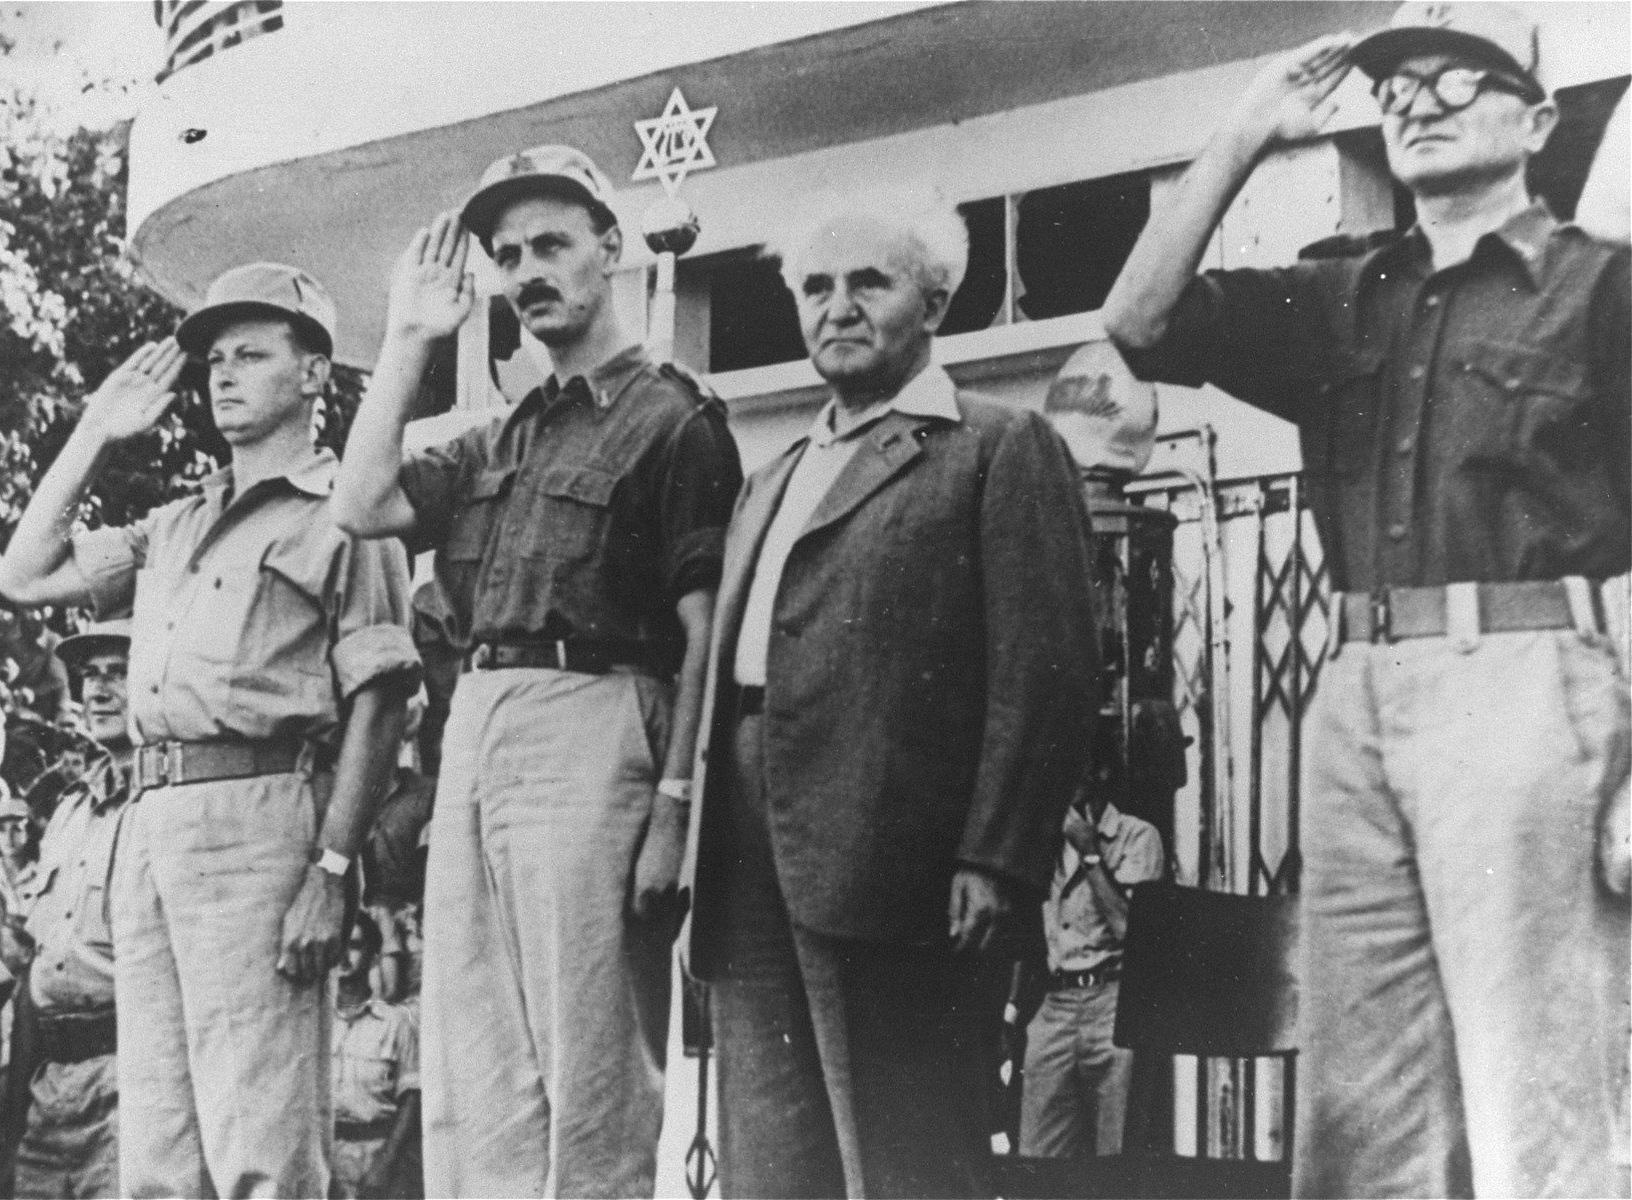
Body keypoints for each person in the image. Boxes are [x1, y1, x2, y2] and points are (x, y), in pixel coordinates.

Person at [1100, 5, 1630, 1196]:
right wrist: (1242, 135)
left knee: (1526, 1098)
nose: (1419, 99)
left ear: (1535, 119)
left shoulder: (1604, 288)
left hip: (1528, 682)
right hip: (1350, 695)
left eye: (1460, 79)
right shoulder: (1340, 293)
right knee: (1356, 1110)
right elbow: (1136, 320)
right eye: (1398, 81)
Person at [333, 145, 743, 1196]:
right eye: (507, 255)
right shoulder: (497, 435)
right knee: (477, 1054)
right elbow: (363, 502)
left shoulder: (672, 417)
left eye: (551, 244)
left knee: (589, 1055)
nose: (527, 272)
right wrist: (409, 337)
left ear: (609, 247)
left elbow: (708, 634)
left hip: (598, 718)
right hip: (480, 721)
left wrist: (675, 809)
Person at [684, 192, 1099, 1198]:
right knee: (769, 1155)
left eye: (869, 281)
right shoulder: (771, 475)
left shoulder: (996, 445)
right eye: (815, 287)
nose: (837, 306)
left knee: (905, 1153)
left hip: (896, 862)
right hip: (747, 851)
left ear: (936, 299)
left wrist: (994, 857)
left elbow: (1044, 671)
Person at [0, 262, 421, 1198]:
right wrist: (94, 431)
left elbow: (380, 701)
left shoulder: (349, 513)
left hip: (261, 819)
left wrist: (333, 872)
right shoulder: (176, 523)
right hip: (155, 823)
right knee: (158, 1147)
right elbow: (22, 574)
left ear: (314, 373)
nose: (221, 375)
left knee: (260, 1142)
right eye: (213, 359)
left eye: (251, 354)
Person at [4, 621, 135, 1199]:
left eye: (118, 674)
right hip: (51, 1086)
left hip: (131, 1079)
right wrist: (12, 1114)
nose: (97, 692)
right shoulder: (68, 813)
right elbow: (38, 964)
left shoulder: (170, 805)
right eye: (89, 677)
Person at [1018, 791, 1164, 1160]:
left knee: (1117, 1160)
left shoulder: (1137, 836)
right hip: (1055, 1004)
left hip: (1113, 1003)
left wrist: (1090, 852)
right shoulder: (1043, 840)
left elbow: (1131, 928)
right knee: (1038, 1163)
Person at [331, 910, 422, 1200]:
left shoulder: (397, 1022)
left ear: (373, 957)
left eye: (355, 945)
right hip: (328, 1157)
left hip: (378, 1152)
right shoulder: (318, 1023)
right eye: (340, 944)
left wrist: (384, 1164)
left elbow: (411, 1098)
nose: (345, 955)